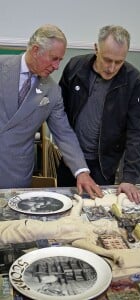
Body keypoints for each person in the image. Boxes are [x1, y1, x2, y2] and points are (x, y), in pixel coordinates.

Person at [0, 24, 102, 199]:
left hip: (15, 173)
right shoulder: (2, 67)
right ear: (35, 50)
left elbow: (64, 133)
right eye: (54, 59)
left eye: (60, 60)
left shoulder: (52, 91)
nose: (56, 66)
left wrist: (81, 171)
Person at [57, 25, 140, 204]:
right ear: (96, 48)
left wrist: (129, 178)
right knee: (66, 210)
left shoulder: (134, 80)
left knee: (97, 213)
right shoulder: (75, 67)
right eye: (107, 60)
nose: (112, 68)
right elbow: (58, 114)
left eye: (119, 62)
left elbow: (135, 132)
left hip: (103, 165)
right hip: (71, 161)